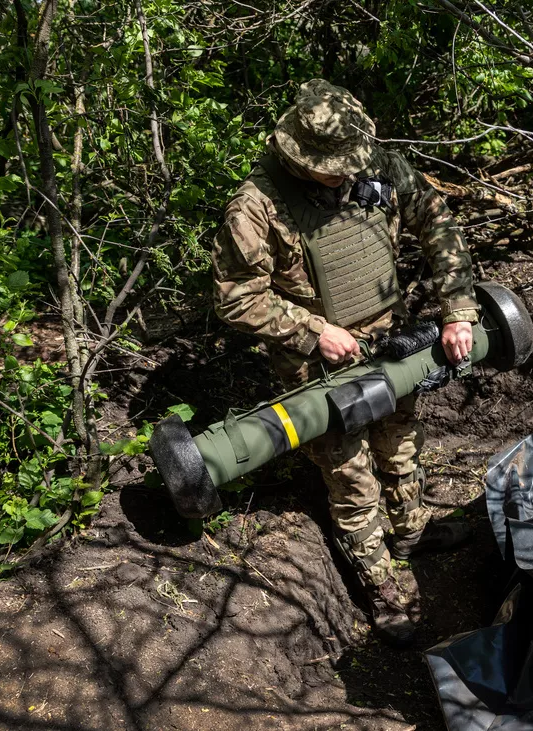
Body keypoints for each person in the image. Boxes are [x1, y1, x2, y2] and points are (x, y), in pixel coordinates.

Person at [211, 79, 477, 647]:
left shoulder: (375, 164)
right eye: (334, 168)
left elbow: (438, 223)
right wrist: (313, 330)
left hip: (389, 339)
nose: (349, 175)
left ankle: (410, 527)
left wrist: (457, 309)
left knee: (401, 434)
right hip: (317, 366)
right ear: (298, 158)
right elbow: (236, 296)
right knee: (350, 469)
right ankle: (379, 582)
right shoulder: (255, 205)